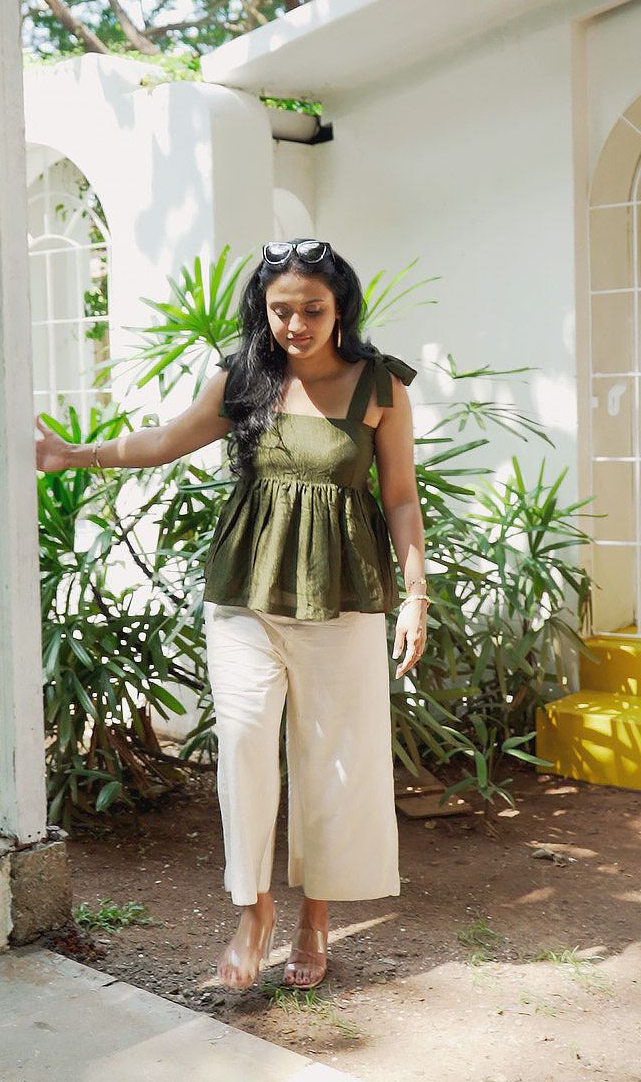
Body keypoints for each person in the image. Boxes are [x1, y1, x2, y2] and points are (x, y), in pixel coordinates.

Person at [35, 238, 427, 993]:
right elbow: (161, 441)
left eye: (312, 309)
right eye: (281, 310)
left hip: (343, 597)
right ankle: (255, 912)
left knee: (332, 760)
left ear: (339, 305)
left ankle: (316, 914)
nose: (296, 324)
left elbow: (401, 498)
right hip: (245, 594)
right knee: (245, 746)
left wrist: (415, 595)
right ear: (264, 311)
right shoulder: (245, 375)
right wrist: (74, 453)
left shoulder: (380, 387)